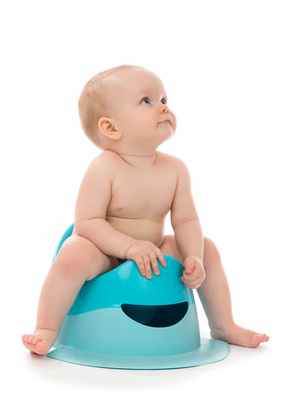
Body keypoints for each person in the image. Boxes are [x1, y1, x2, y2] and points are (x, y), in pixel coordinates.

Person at [22, 65, 269, 355]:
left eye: (164, 100)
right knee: (74, 252)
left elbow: (186, 220)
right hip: (106, 255)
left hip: (153, 252)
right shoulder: (104, 168)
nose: (163, 108)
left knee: (208, 248)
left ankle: (224, 325)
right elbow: (87, 223)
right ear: (111, 127)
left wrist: (194, 257)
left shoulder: (175, 169)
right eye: (147, 101)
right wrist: (128, 247)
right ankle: (47, 328)